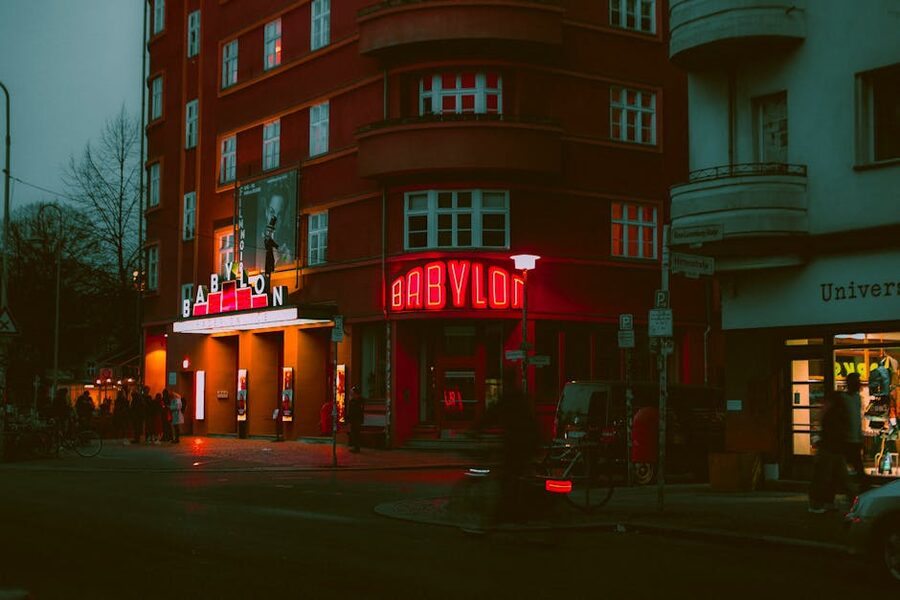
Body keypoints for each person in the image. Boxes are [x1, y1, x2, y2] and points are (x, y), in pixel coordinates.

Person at [809, 391, 849, 513]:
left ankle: (823, 503)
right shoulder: (835, 413)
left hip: (830, 450)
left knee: (828, 478)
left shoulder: (829, 413)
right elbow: (834, 432)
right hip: (832, 450)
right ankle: (822, 503)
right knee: (833, 478)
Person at [843, 372, 868, 492]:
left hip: (853, 441)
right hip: (846, 441)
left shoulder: (857, 398)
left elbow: (857, 419)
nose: (860, 384)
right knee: (857, 469)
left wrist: (860, 437)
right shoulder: (843, 399)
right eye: (857, 382)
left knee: (856, 468)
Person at [346, 386, 364, 453]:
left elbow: (357, 411)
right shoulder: (352, 401)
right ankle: (354, 446)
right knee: (353, 433)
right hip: (353, 420)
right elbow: (350, 411)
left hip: (357, 420)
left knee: (356, 433)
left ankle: (357, 447)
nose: (351, 394)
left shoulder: (359, 401)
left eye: (352, 393)